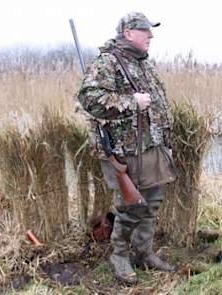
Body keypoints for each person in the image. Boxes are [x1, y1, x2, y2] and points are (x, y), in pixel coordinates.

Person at [77, 12, 177, 285]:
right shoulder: (109, 62)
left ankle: (144, 253)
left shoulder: (143, 64)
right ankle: (119, 256)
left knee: (152, 202)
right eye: (145, 30)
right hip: (124, 151)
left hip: (151, 148)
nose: (151, 35)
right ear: (128, 32)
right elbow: (89, 99)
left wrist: (166, 141)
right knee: (130, 206)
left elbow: (156, 106)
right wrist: (131, 101)